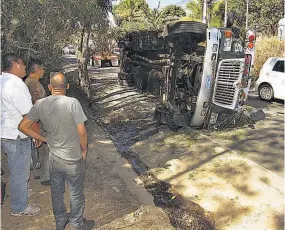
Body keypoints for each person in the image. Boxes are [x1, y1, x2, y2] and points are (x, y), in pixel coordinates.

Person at [18, 72, 94, 230]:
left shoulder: (40, 104)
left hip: (54, 158)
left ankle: (60, 222)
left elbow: (23, 126)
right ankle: (77, 223)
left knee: (57, 191)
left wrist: (43, 138)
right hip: (73, 158)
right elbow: (82, 132)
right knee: (76, 192)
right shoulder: (73, 103)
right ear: (67, 86)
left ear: (50, 87)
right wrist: (84, 150)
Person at [0, 53, 41, 216]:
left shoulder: (2, 80)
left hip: (6, 132)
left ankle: (20, 192)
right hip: (17, 135)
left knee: (17, 169)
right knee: (19, 170)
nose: (25, 67)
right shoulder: (16, 85)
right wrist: (36, 135)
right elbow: (29, 114)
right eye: (23, 64)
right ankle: (19, 207)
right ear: (16, 64)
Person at [25, 58, 50, 185]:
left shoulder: (30, 82)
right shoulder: (33, 84)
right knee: (46, 145)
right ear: (37, 69)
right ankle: (45, 175)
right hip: (38, 121)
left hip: (35, 121)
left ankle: (37, 171)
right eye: (42, 68)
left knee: (37, 146)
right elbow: (36, 105)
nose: (44, 71)